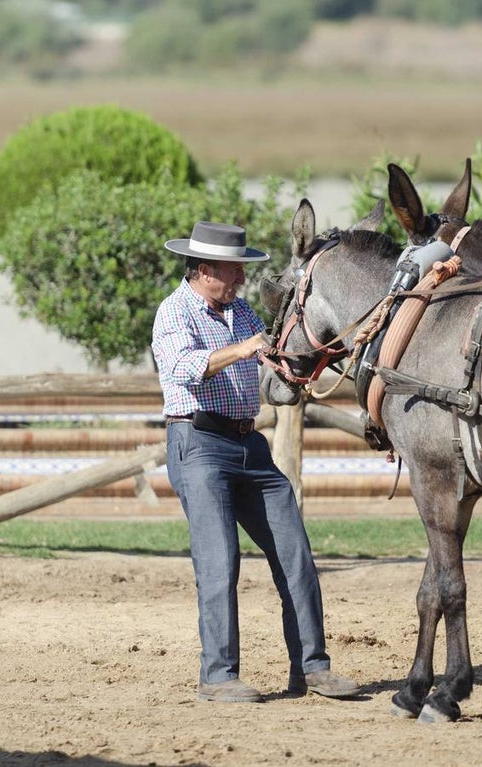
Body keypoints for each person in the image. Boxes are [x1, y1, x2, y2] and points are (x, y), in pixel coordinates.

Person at [151, 221, 361, 704]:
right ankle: (218, 676)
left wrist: (310, 357)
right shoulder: (173, 313)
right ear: (204, 270)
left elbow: (271, 365)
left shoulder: (240, 311)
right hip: (199, 442)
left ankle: (312, 668)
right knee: (219, 560)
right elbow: (184, 368)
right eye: (233, 270)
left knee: (295, 556)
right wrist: (243, 348)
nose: (241, 279)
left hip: (249, 445)